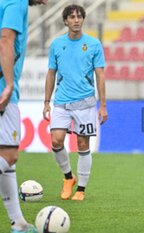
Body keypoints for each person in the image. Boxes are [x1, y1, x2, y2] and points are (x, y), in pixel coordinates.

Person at [42, 4, 107, 202]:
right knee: (56, 140)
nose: (76, 20)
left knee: (82, 143)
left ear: (83, 19)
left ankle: (81, 189)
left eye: (79, 16)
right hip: (61, 101)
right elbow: (51, 74)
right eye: (72, 17)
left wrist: (103, 105)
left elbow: (100, 75)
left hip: (86, 102)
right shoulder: (57, 44)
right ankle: (68, 177)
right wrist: (46, 102)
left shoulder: (94, 44)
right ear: (65, 21)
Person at [0, 0, 48, 232]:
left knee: (6, 158)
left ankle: (18, 223)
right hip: (2, 90)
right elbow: (6, 40)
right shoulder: (16, 3)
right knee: (8, 155)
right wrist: (8, 84)